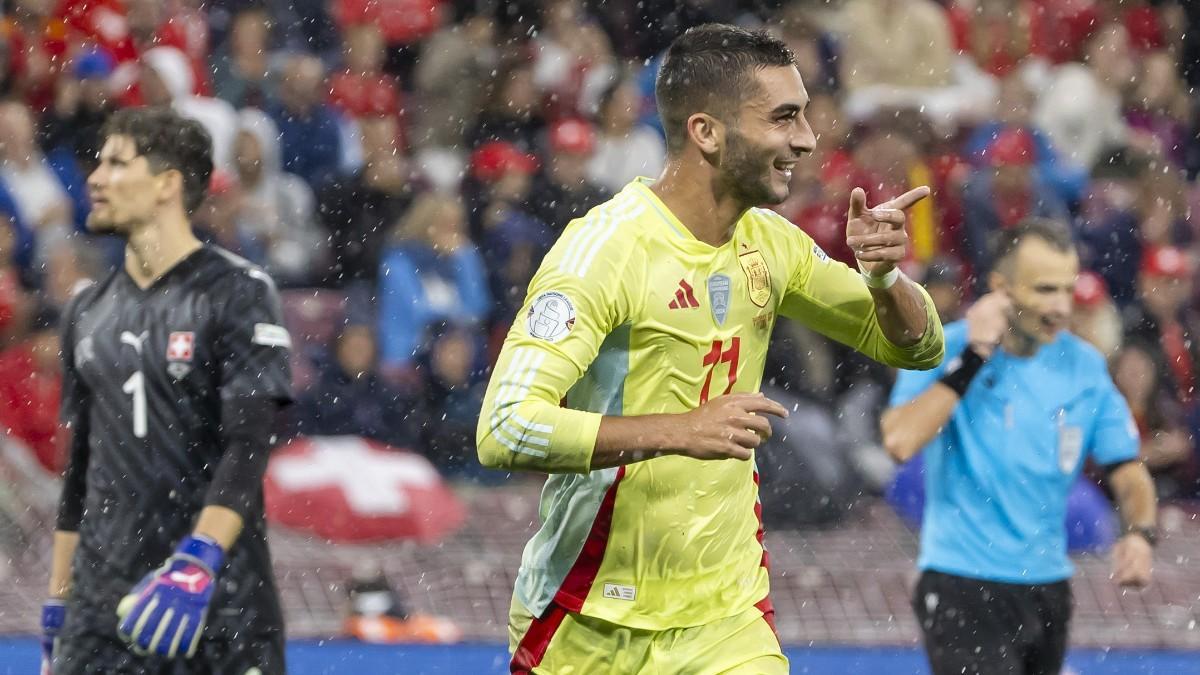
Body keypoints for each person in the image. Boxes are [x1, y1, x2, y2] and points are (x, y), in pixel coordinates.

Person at [475, 24, 945, 674]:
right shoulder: (605, 251)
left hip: (726, 617)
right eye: (783, 118)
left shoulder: (769, 244)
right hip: (589, 620)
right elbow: (504, 428)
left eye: (805, 115)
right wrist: (677, 430)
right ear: (707, 132)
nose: (806, 140)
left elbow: (918, 347)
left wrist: (885, 279)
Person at [42, 107, 292, 674]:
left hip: (220, 608)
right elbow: (79, 474)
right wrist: (59, 609)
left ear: (167, 184)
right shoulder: (85, 310)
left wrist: (197, 560)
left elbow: (249, 444)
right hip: (102, 616)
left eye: (116, 163)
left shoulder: (237, 292)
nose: (95, 179)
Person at [880, 219, 1158, 675]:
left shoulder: (1084, 366)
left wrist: (1140, 535)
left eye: (1068, 291)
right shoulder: (942, 346)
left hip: (1048, 587)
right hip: (961, 583)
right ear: (1000, 288)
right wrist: (974, 358)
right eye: (1045, 290)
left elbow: (1129, 472)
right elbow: (899, 440)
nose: (1061, 308)